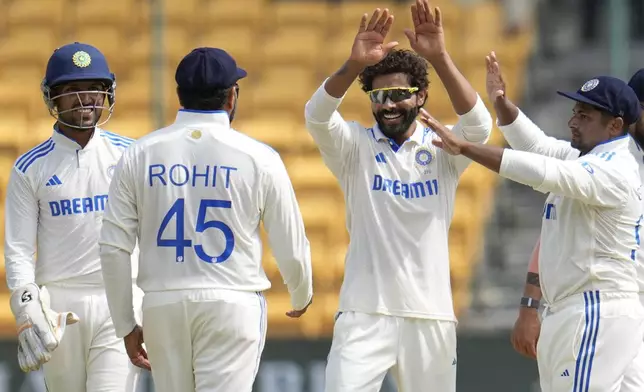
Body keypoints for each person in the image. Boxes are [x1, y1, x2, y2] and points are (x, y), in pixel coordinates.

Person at [421, 52, 644, 391]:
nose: (573, 122)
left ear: (615, 124)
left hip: (598, 306)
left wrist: (466, 148)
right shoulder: (603, 156)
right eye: (575, 113)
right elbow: (539, 149)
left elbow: (543, 170)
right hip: (598, 307)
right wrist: (502, 105)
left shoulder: (612, 168)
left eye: (584, 115)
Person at [98, 47, 313, 392]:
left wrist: (125, 323)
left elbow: (112, 248)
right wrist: (301, 293)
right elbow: (290, 240)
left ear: (179, 95)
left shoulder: (140, 152)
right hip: (232, 299)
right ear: (232, 97)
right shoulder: (259, 156)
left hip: (162, 303)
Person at [303, 1, 493, 390]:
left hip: (430, 316)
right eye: (378, 96)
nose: (387, 105)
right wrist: (354, 65)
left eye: (397, 94)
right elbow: (317, 115)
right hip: (364, 313)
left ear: (420, 96)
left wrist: (439, 57)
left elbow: (480, 128)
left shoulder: (445, 147)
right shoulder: (354, 147)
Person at [4, 42, 143, 392]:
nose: (86, 100)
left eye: (95, 90)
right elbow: (18, 249)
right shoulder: (29, 168)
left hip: (120, 303)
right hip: (60, 308)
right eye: (72, 91)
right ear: (53, 98)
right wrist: (25, 304)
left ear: (108, 93)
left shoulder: (131, 155)